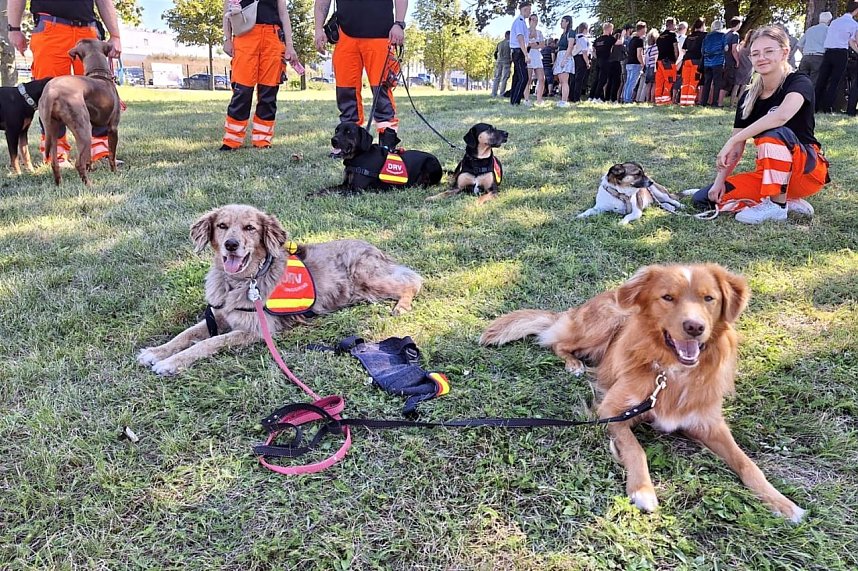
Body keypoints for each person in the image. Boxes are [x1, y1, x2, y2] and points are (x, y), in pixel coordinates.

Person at [690, 26, 829, 224]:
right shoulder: (748, 96)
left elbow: (781, 116)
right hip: (767, 175)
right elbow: (736, 150)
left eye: (769, 51)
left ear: (784, 52)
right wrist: (719, 182)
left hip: (806, 172)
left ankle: (777, 206)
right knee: (705, 199)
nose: (761, 57)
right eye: (755, 53)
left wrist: (735, 138)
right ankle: (786, 199)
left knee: (772, 133)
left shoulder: (799, 82)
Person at [7, 0, 122, 165]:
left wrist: (115, 35)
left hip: (88, 31)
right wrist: (14, 28)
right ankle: (57, 154)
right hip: (50, 28)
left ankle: (101, 150)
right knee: (52, 93)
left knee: (98, 94)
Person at [314, 0, 407, 137]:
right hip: (345, 35)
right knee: (346, 92)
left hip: (381, 35)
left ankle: (387, 143)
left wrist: (399, 24)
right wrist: (318, 29)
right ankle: (348, 142)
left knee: (381, 93)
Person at [221, 0, 297, 151]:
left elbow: (283, 13)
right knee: (242, 90)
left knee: (269, 91)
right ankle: (232, 140)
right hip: (245, 37)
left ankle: (262, 140)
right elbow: (227, 11)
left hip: (272, 37)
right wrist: (227, 39)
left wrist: (289, 45)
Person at [815, 2, 858, 113]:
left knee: (822, 80)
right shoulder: (853, 24)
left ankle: (814, 106)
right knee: (835, 81)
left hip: (828, 52)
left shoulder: (834, 22)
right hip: (841, 53)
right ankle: (827, 107)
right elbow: (852, 41)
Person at [796, 11, 832, 87]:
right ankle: (810, 98)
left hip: (806, 57)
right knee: (813, 82)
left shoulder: (810, 29)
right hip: (819, 57)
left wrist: (804, 53)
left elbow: (799, 44)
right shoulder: (829, 30)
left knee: (801, 81)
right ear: (829, 21)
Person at [508, 2, 532, 105]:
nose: (530, 13)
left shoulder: (521, 22)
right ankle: (516, 100)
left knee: (517, 77)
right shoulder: (519, 22)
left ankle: (514, 100)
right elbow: (520, 38)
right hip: (519, 52)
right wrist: (526, 54)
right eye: (529, 10)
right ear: (525, 9)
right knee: (523, 77)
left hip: (518, 51)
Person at [679, 18, 706, 106]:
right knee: (694, 82)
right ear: (702, 26)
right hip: (697, 61)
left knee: (686, 82)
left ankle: (683, 101)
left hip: (687, 60)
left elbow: (683, 50)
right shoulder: (704, 35)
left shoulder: (689, 36)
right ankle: (690, 102)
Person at [700, 20, 726, 107]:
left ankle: (703, 101)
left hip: (707, 62)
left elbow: (702, 50)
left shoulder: (707, 36)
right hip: (718, 61)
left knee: (707, 82)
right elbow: (726, 48)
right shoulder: (722, 36)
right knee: (716, 82)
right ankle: (714, 102)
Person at [654, 18, 679, 105]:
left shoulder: (660, 37)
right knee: (669, 81)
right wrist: (675, 60)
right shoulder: (672, 35)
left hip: (659, 61)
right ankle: (666, 100)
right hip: (668, 61)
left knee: (659, 81)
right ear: (672, 25)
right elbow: (676, 50)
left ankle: (658, 100)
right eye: (675, 24)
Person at [589, 22, 616, 102]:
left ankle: (591, 96)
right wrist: (622, 35)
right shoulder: (610, 38)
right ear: (609, 29)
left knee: (596, 79)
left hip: (598, 60)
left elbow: (593, 49)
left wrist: (596, 56)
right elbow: (619, 42)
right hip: (605, 60)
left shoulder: (598, 39)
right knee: (603, 80)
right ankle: (597, 97)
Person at [523, 13, 546, 106]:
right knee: (528, 79)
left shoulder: (539, 32)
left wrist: (535, 44)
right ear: (529, 21)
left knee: (541, 78)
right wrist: (533, 44)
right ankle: (526, 99)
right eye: (533, 20)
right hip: (528, 54)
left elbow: (542, 45)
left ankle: (539, 99)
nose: (535, 22)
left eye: (536, 20)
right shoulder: (525, 31)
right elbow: (525, 43)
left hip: (537, 55)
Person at [553, 15, 575, 107]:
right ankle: (562, 99)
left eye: (563, 21)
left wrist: (564, 59)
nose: (561, 23)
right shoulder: (563, 34)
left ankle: (565, 101)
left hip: (565, 55)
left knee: (565, 80)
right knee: (561, 81)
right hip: (560, 55)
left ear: (567, 22)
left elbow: (570, 47)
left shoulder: (571, 32)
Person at [721, 17, 743, 107]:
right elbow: (734, 50)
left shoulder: (725, 33)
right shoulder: (735, 35)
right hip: (730, 61)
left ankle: (716, 101)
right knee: (727, 83)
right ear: (738, 25)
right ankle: (720, 102)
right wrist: (737, 61)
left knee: (721, 81)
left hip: (722, 60)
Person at [623, 21, 646, 103]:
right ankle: (628, 99)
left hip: (629, 63)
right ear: (642, 29)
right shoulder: (639, 41)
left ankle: (625, 97)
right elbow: (639, 54)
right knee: (632, 83)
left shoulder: (632, 40)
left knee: (628, 82)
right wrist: (643, 64)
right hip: (635, 64)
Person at [570, 22, 591, 102]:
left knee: (573, 79)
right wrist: (587, 62)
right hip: (581, 58)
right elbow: (584, 52)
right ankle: (576, 98)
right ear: (585, 29)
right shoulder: (583, 39)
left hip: (574, 58)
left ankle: (571, 96)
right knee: (579, 79)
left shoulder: (575, 38)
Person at [637, 29, 659, 103]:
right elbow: (656, 58)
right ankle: (652, 100)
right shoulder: (656, 47)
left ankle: (647, 99)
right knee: (654, 84)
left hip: (648, 66)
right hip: (654, 67)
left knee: (648, 84)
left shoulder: (647, 47)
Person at [606, 28, 627, 102]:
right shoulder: (620, 45)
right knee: (617, 81)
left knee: (610, 81)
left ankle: (607, 98)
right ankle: (613, 98)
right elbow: (625, 53)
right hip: (616, 63)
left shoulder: (610, 44)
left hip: (609, 63)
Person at [491, 31, 512, 97]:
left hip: (499, 61)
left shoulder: (499, 43)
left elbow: (495, 53)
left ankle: (493, 93)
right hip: (507, 62)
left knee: (497, 77)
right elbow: (512, 53)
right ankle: (502, 93)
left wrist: (497, 59)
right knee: (504, 78)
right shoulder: (510, 44)